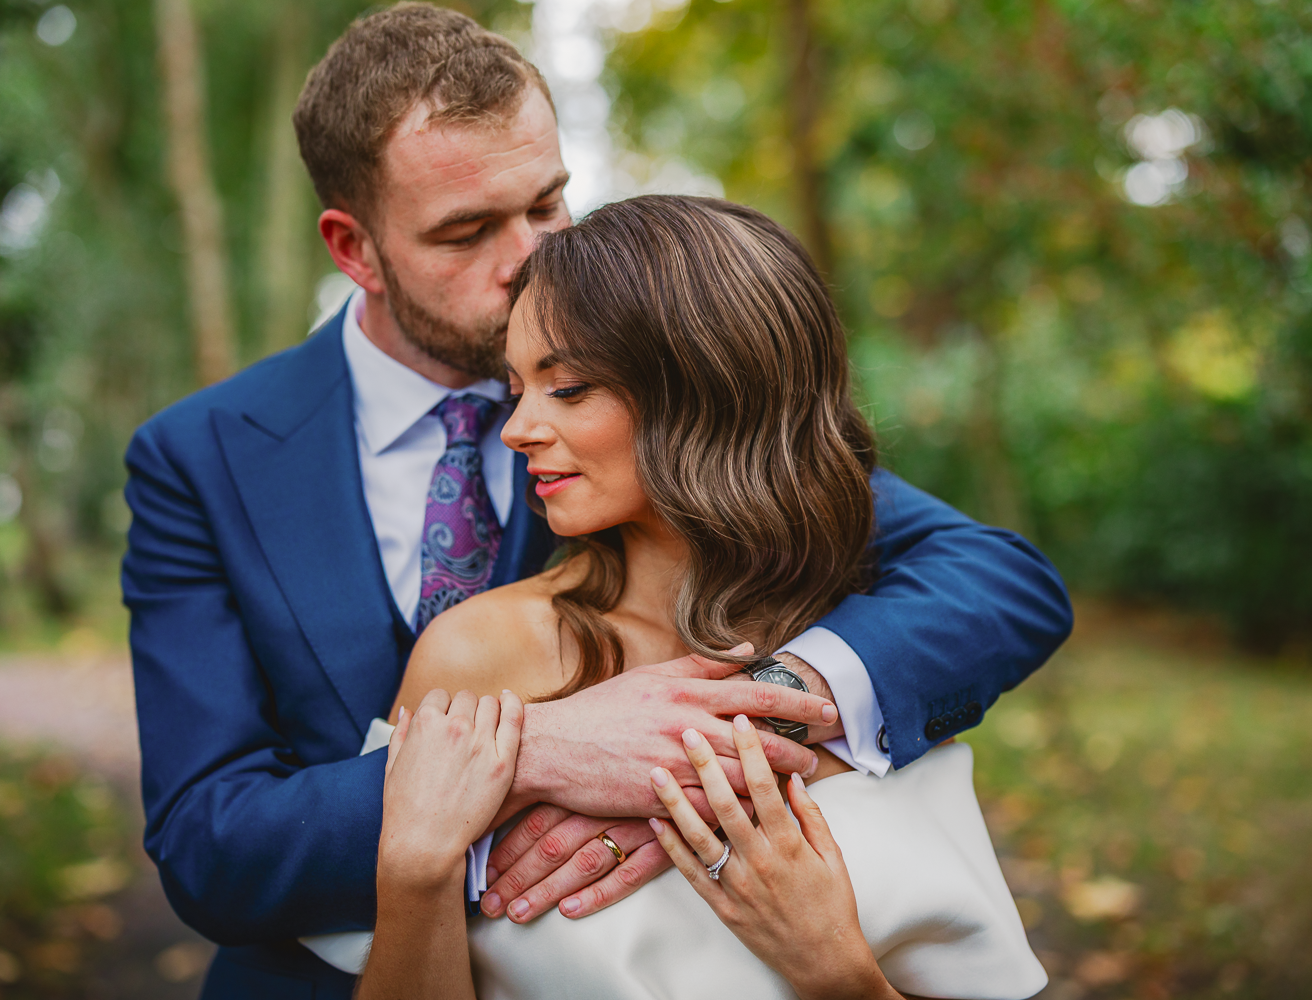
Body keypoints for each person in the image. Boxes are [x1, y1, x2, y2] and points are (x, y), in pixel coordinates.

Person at [120, 5, 1071, 997]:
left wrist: (736, 728)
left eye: (547, 203)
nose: (529, 257)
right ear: (353, 248)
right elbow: (208, 841)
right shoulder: (201, 457)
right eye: (467, 231)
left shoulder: (660, 383)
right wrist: (528, 758)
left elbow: (996, 582)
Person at [352, 195, 1047, 1000]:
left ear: (709, 391)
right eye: (517, 389)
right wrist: (414, 867)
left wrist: (834, 967)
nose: (516, 428)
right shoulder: (480, 655)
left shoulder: (868, 665)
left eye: (568, 387)